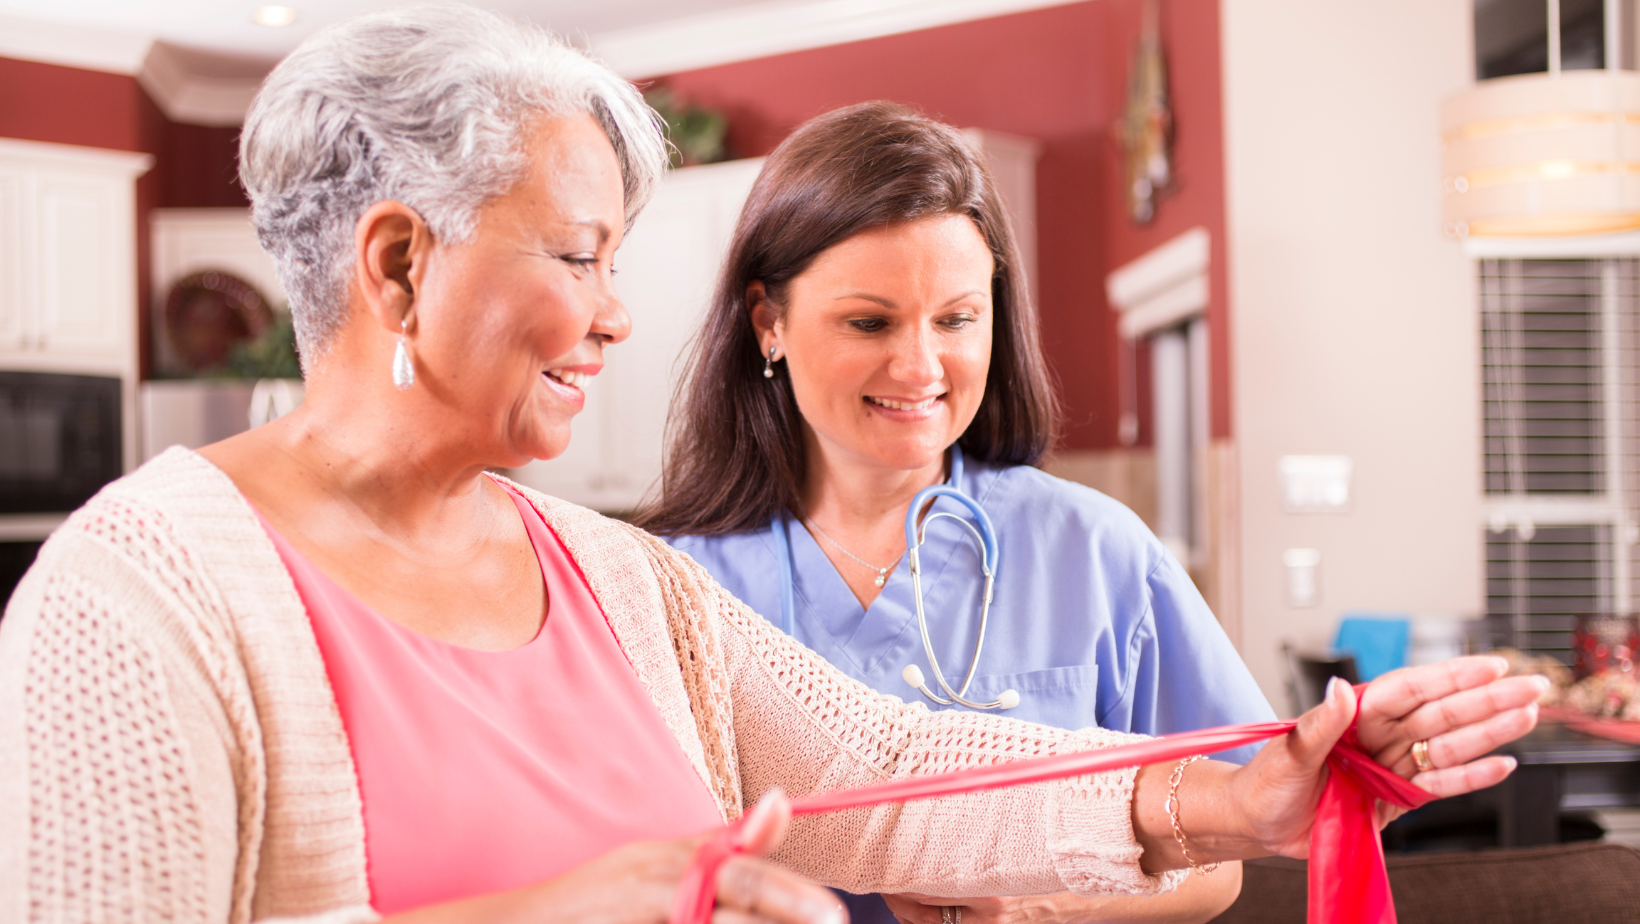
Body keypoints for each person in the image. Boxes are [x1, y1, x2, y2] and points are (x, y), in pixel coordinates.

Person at [0, 7, 1541, 924]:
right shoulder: (139, 600)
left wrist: (1230, 803)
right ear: (400, 265)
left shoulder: (605, 574)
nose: (616, 315)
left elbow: (892, 770)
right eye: (582, 255)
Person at [637, 102, 1261, 924]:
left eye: (957, 319)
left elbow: (1222, 855)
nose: (920, 365)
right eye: (870, 321)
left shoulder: (1091, 550)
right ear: (769, 324)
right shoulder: (668, 587)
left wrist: (1035, 912)